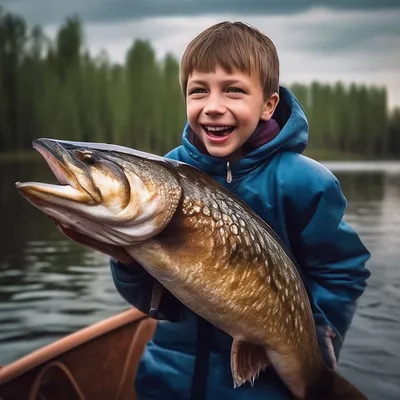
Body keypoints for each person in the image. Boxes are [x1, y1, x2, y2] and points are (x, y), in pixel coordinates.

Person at [61, 22, 371, 399]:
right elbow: (154, 303)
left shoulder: (306, 183)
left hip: (262, 391)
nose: (213, 107)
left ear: (268, 105)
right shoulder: (164, 176)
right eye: (198, 91)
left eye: (234, 91)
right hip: (168, 379)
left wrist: (312, 347)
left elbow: (342, 271)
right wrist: (125, 261)